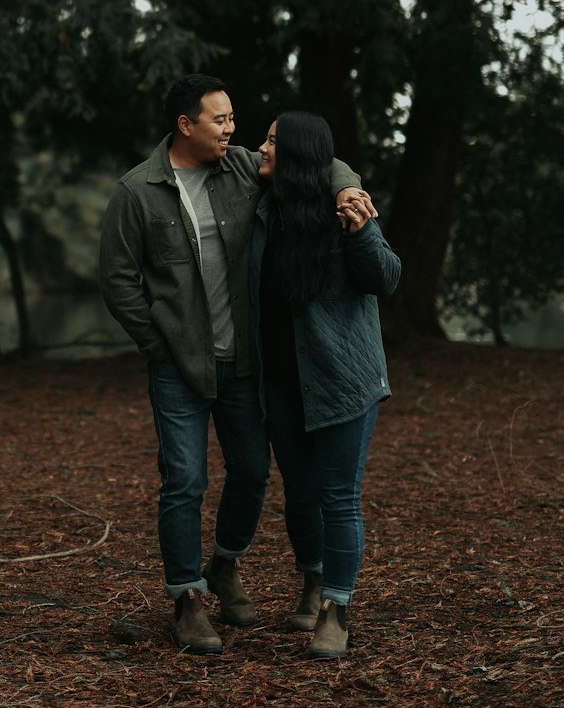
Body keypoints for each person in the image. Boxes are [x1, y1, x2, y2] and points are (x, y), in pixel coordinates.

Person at [99, 75, 374, 654]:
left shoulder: (244, 168)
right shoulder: (138, 192)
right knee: (184, 480)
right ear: (185, 126)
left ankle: (224, 565)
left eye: (232, 119)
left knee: (251, 471)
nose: (232, 130)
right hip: (178, 365)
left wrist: (347, 190)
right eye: (220, 120)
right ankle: (187, 599)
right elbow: (119, 280)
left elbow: (320, 162)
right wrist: (156, 342)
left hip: (243, 362)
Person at [251, 111, 401, 660]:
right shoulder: (264, 203)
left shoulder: (346, 213)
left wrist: (360, 227)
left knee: (338, 496)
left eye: (270, 141)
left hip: (343, 380)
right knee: (299, 490)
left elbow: (386, 278)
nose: (258, 149)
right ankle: (312, 582)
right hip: (282, 382)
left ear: (295, 157)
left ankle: (336, 610)